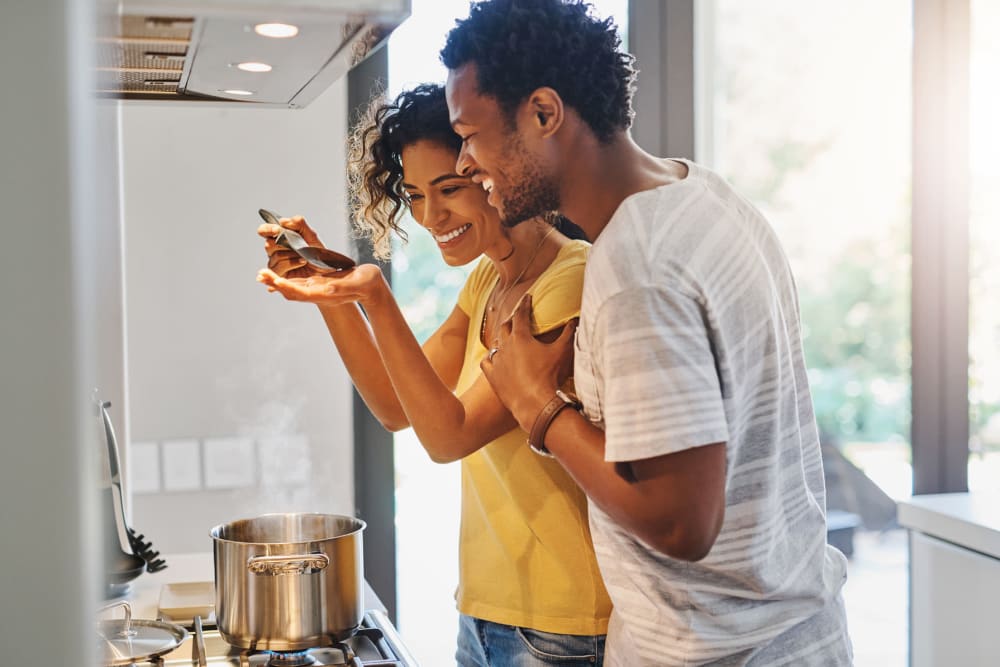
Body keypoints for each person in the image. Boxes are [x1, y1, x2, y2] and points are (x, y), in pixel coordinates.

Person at [439, 1, 853, 665]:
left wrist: (539, 408)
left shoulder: (636, 268)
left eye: (470, 134)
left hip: (718, 650)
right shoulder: (706, 195)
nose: (463, 163)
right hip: (792, 631)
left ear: (544, 113)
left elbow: (679, 521)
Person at [255, 83, 611, 666]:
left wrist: (374, 294)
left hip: (562, 623)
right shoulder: (490, 280)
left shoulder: (568, 281)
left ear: (497, 171)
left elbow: (449, 436)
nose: (429, 215)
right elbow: (399, 408)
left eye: (449, 188)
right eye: (415, 195)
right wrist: (334, 296)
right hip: (486, 608)